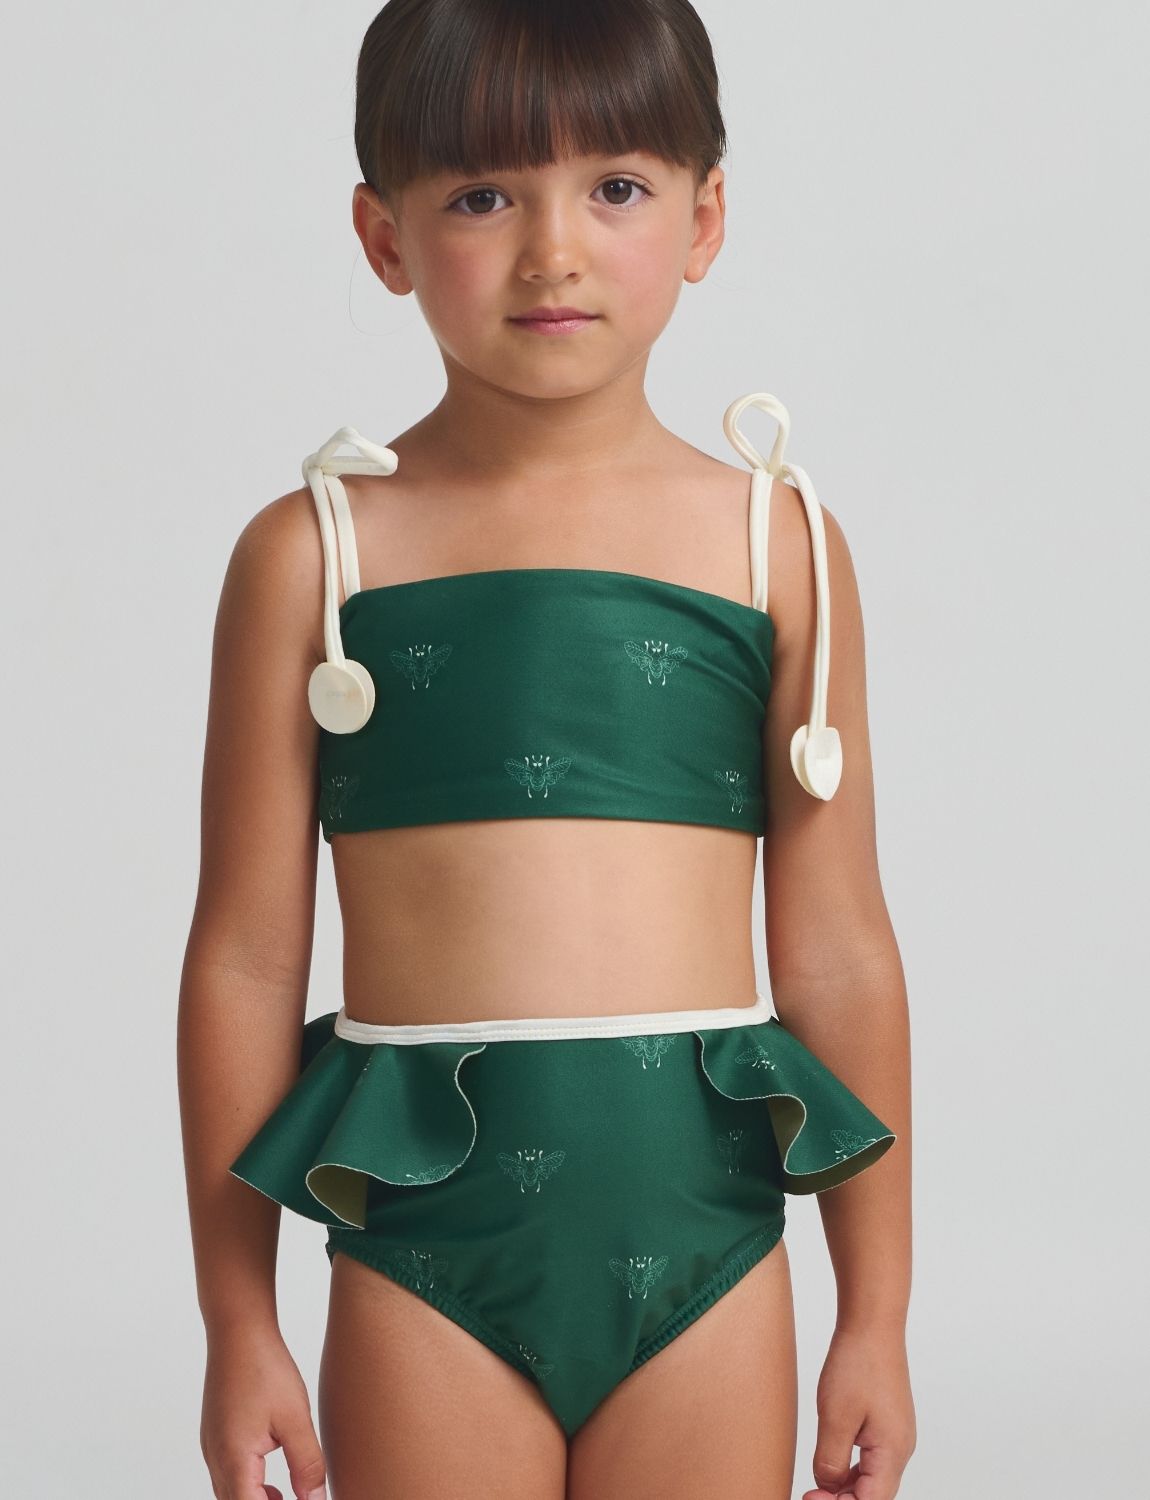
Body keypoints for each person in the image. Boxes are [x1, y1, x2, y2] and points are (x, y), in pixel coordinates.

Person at [178, 2, 915, 1497]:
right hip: (426, 1254)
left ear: (704, 219)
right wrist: (238, 1323)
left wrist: (877, 1317)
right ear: (384, 237)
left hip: (706, 1245)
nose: (552, 250)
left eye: (616, 187)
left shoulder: (776, 545)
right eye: (481, 196)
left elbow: (838, 951)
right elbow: (246, 958)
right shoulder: (313, 559)